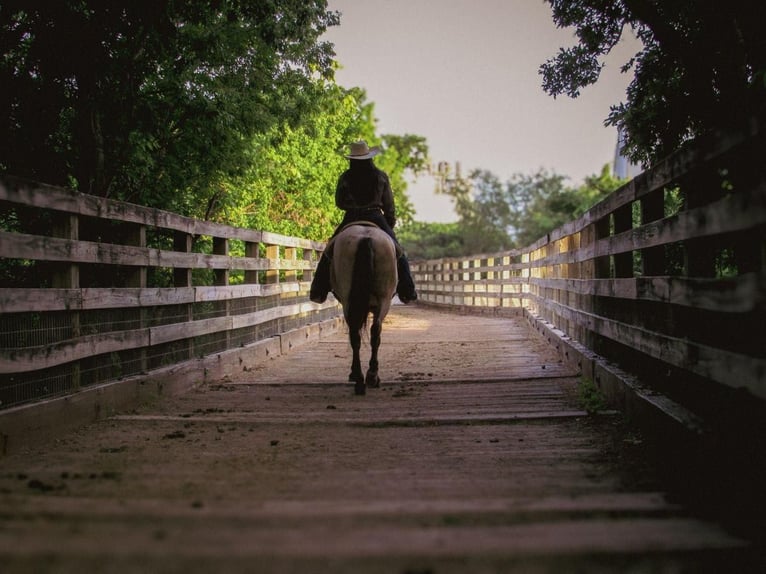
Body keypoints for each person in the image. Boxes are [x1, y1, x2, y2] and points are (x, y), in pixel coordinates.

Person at [309, 140, 418, 304]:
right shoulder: (381, 176)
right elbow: (389, 205)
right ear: (369, 157)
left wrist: (352, 206)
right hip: (375, 216)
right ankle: (407, 290)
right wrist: (388, 224)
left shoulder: (345, 177)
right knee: (399, 252)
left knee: (329, 251)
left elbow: (339, 202)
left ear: (352, 159)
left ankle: (319, 290)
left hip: (352, 217)